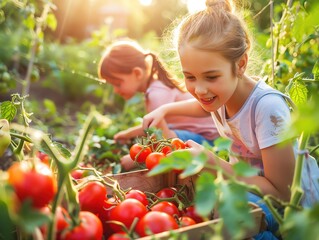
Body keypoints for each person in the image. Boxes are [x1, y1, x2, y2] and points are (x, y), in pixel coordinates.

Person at [141, 0, 319, 239]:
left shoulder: (267, 108)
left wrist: (213, 164)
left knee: (231, 225)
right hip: (249, 188)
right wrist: (166, 110)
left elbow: (284, 194)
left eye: (211, 77)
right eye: (190, 77)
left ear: (241, 64)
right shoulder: (222, 94)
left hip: (292, 213)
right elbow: (204, 106)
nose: (200, 89)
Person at [98, 39, 219, 170]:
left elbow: (158, 135)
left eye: (118, 83)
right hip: (205, 137)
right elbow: (151, 123)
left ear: (137, 73)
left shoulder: (156, 94)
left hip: (209, 143)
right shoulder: (155, 88)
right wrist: (128, 134)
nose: (115, 90)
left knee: (166, 138)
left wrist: (134, 158)